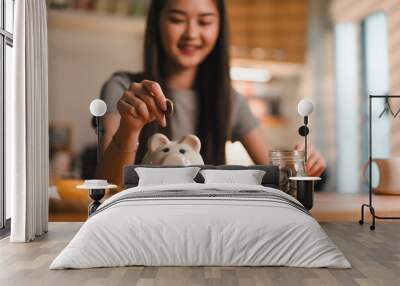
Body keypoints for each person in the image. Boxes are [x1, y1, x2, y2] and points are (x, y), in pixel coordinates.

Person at [96, 0, 326, 188]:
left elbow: (276, 175)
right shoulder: (124, 90)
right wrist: (130, 127)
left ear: (219, 27)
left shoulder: (229, 100)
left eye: (204, 21)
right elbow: (107, 188)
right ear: (157, 22)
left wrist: (300, 166)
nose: (191, 33)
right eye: (177, 19)